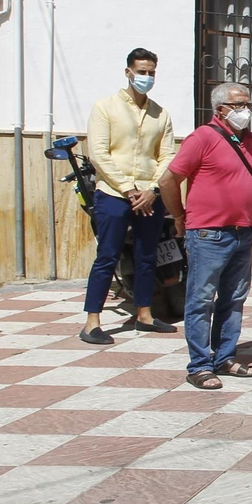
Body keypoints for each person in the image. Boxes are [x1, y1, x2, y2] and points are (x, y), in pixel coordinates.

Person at [155, 82, 252, 389]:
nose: (246, 111)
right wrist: (179, 216)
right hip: (208, 233)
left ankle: (224, 356)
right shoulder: (203, 137)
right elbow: (168, 180)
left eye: (249, 105)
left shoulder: (249, 140)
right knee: (201, 299)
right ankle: (199, 365)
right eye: (239, 105)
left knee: (234, 297)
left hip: (242, 231)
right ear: (221, 110)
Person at [81, 47, 177, 344]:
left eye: (151, 73)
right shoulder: (105, 107)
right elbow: (98, 153)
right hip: (113, 192)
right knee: (107, 255)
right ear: (128, 72)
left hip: (149, 195)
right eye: (141, 72)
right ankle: (91, 322)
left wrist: (152, 190)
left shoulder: (160, 114)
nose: (146, 77)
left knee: (148, 255)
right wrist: (128, 188)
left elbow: (168, 155)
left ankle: (145, 315)